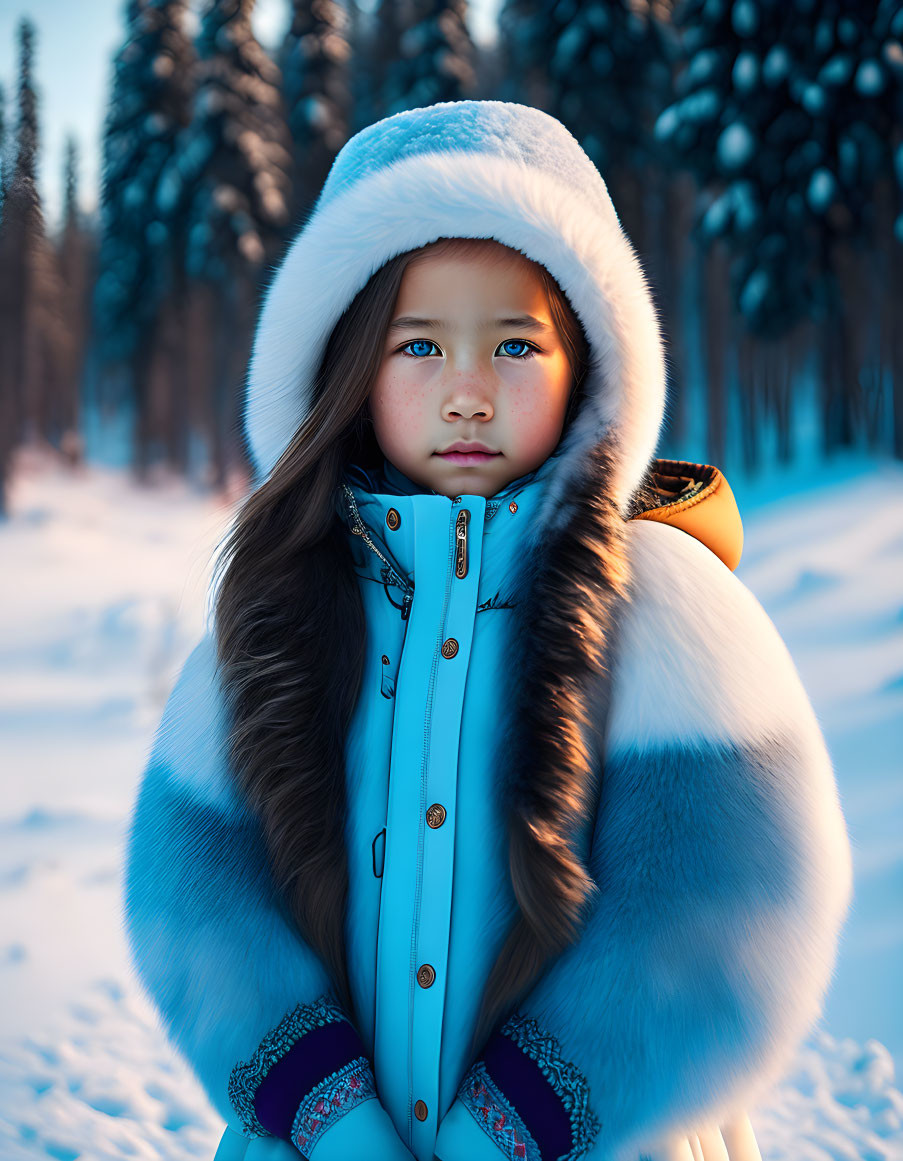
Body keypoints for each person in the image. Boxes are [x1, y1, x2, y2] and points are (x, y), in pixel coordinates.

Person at [122, 100, 853, 1161]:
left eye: (516, 343)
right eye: (418, 345)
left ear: (589, 364)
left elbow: (733, 904)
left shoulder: (668, 606)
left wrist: (520, 1126)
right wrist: (324, 1115)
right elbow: (194, 899)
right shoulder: (282, 610)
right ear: (350, 369)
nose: (468, 393)